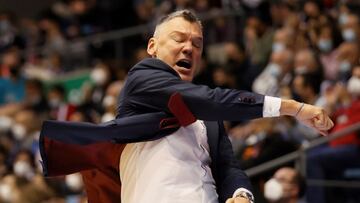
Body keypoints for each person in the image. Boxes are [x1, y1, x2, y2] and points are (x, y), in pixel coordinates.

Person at [39, 9, 333, 203]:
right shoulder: (142, 79)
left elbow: (228, 166)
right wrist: (293, 107)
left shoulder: (210, 118)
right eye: (178, 39)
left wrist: (242, 194)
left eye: (197, 43)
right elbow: (207, 100)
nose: (189, 48)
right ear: (152, 47)